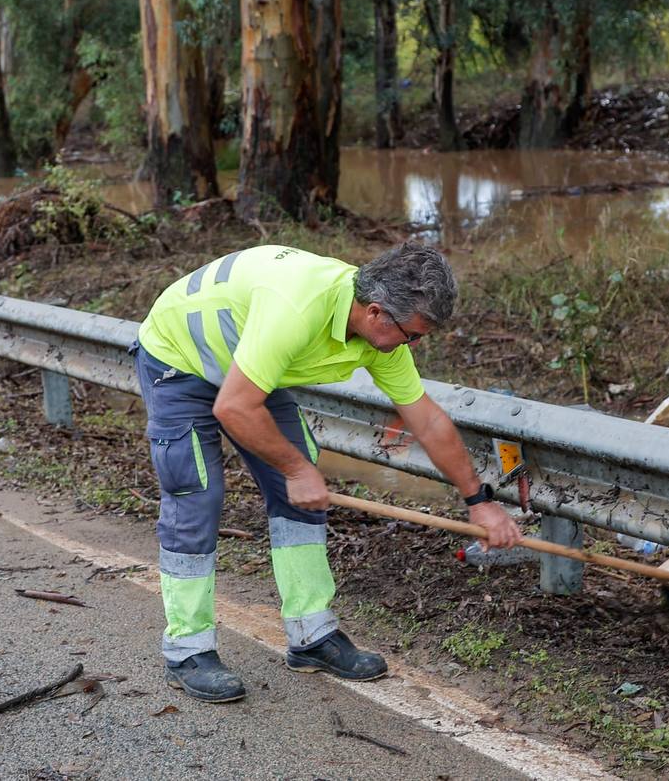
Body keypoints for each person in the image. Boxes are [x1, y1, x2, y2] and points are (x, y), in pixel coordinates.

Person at [131, 241, 522, 703]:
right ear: (376, 312)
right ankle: (187, 649)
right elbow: (235, 406)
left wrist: (480, 501)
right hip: (179, 362)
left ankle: (311, 635)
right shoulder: (297, 309)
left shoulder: (383, 337)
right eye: (412, 336)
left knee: (302, 495)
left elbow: (427, 420)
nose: (414, 346)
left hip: (250, 365)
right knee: (197, 498)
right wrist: (296, 469)